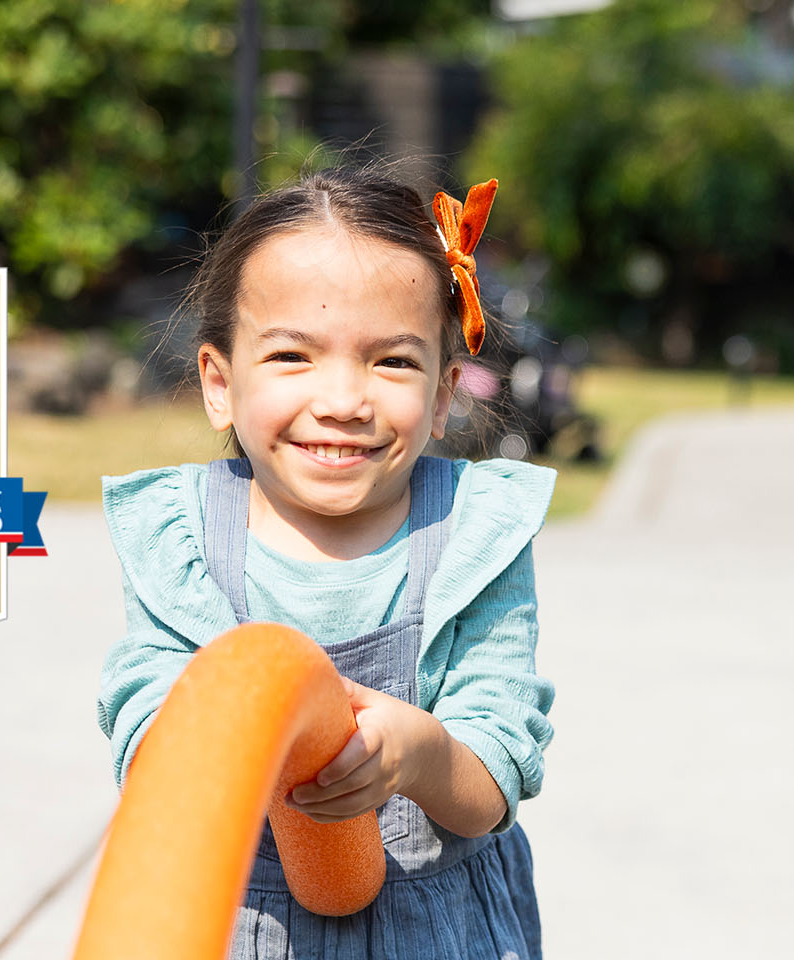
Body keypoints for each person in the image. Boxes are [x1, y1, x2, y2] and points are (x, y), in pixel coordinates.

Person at [96, 167, 555, 958]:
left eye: (392, 362)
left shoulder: (475, 534)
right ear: (219, 383)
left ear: (445, 393)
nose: (343, 399)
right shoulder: (184, 538)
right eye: (292, 357)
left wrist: (417, 751)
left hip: (435, 928)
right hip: (245, 922)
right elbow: (146, 738)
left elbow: (494, 773)